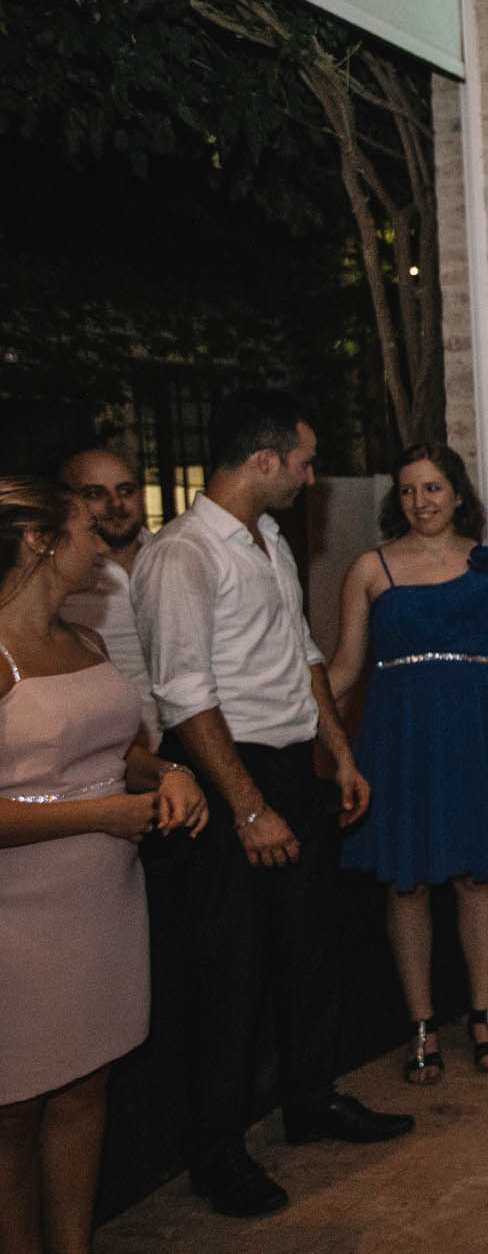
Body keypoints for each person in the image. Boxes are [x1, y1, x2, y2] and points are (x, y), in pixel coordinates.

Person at [132, 390, 413, 1219]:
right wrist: (249, 809)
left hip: (290, 764)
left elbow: (302, 654)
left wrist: (339, 752)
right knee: (231, 967)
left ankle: (310, 1096)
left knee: (308, 946)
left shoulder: (271, 541)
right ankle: (216, 1149)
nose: (310, 476)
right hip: (228, 771)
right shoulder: (182, 555)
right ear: (263, 460)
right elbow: (185, 696)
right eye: (303, 461)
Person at [0, 476, 207, 1254]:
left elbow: (120, 751)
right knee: (14, 1108)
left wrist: (170, 773)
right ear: (39, 539)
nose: (103, 544)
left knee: (87, 1086)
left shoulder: (83, 639)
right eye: (88, 529)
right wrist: (101, 815)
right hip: (19, 920)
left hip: (103, 905)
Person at [327, 441, 488, 1085]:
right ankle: (421, 1023)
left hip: (478, 736)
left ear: (457, 493)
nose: (420, 501)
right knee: (408, 882)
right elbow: (344, 667)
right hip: (398, 740)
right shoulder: (369, 569)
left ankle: (482, 1014)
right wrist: (294, 717)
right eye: (407, 490)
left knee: (478, 876)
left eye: (432, 488)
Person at [57, 447, 160, 747]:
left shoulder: (172, 556)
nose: (116, 504)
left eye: (126, 491)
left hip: (191, 745)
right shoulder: (60, 581)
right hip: (102, 751)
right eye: (95, 494)